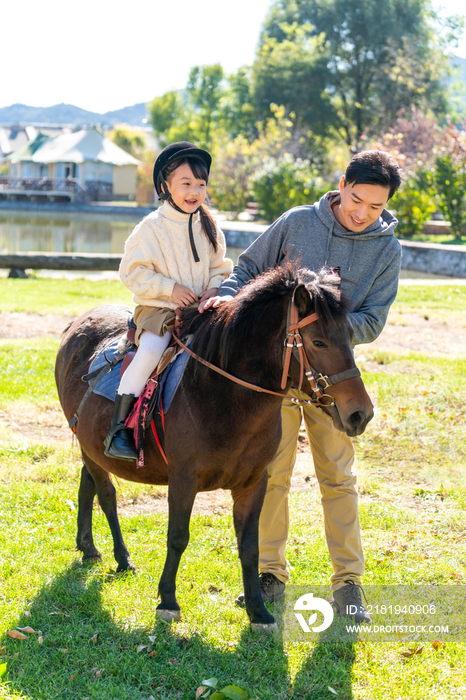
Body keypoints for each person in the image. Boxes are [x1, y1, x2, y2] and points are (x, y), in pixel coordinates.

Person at [200, 149, 403, 622]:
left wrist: (324, 332)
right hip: (275, 376)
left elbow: (374, 319)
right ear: (342, 184)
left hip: (330, 376)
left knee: (338, 476)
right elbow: (248, 270)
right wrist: (227, 300)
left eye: (375, 207)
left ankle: (349, 585)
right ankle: (270, 574)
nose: (362, 213)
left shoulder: (387, 250)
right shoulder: (296, 222)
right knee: (271, 473)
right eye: (356, 200)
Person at [104, 142, 233, 461]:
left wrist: (214, 289)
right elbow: (131, 272)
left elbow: (220, 267)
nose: (195, 191)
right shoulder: (150, 229)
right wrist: (170, 288)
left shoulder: (210, 225)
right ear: (165, 186)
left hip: (201, 309)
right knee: (149, 351)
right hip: (159, 310)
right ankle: (120, 428)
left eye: (201, 184)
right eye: (186, 184)